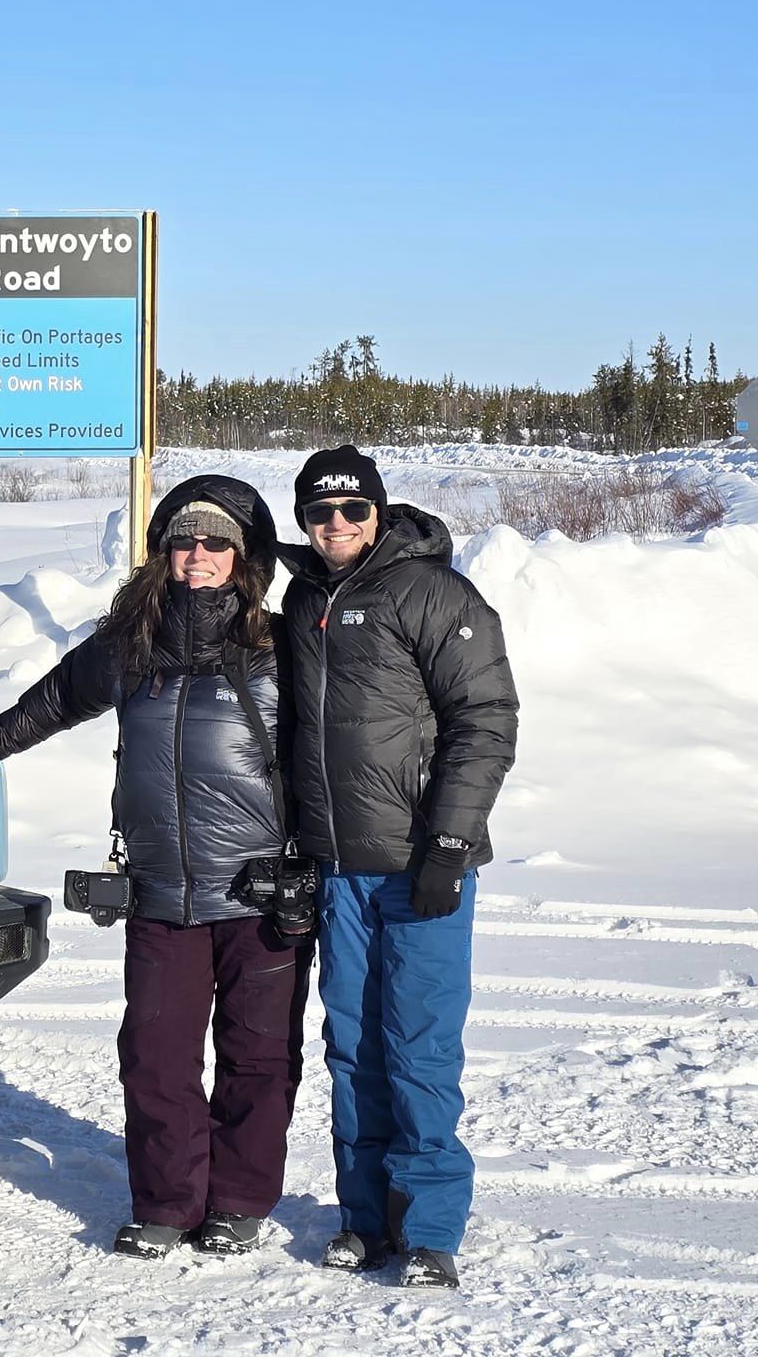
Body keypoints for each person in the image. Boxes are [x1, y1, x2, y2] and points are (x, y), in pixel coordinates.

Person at [0, 475, 313, 1260]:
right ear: (162, 553)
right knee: (155, 1057)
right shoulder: (131, 646)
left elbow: (330, 764)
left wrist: (314, 866)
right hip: (160, 892)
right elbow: (56, 700)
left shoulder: (280, 649)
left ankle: (239, 1199)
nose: (197, 555)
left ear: (243, 558)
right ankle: (168, 1204)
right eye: (183, 541)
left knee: (258, 1058)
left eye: (215, 543)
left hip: (259, 892)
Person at [277, 445, 519, 1290]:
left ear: (378, 513)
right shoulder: (304, 594)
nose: (336, 525)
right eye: (320, 512)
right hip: (339, 870)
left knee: (418, 1046)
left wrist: (450, 845)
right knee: (352, 1047)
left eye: (352, 511)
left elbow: (484, 721)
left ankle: (431, 1227)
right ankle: (365, 1218)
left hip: (421, 867)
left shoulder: (435, 594)